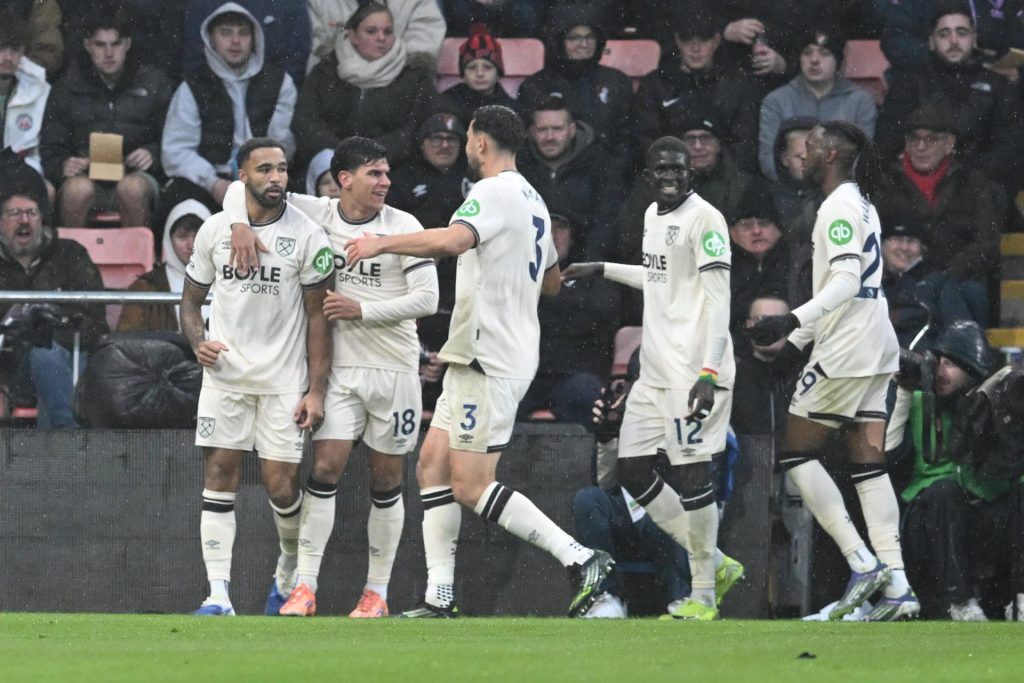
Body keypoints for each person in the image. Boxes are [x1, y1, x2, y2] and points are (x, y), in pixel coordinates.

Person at [344, 104, 614, 618]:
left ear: (481, 142)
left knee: (470, 484)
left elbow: (450, 241)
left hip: (490, 357)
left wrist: (380, 243)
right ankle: (439, 597)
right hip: (481, 352)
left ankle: (580, 558)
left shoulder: (491, 193)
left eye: (468, 139)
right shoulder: (534, 199)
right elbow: (552, 283)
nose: (466, 148)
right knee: (431, 466)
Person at [225, 136, 439, 618]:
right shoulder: (315, 214)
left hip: (395, 371)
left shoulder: (403, 226)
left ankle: (376, 592)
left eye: (386, 173)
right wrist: (239, 224)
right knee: (323, 473)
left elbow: (427, 300)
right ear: (344, 180)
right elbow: (244, 186)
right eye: (374, 174)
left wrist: (362, 310)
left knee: (387, 482)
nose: (386, 182)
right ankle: (304, 587)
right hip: (339, 372)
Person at [562, 136, 743, 621]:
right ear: (648, 176)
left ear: (691, 173)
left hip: (694, 370)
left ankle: (703, 594)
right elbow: (658, 276)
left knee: (690, 474)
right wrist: (602, 268)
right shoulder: (651, 216)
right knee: (633, 470)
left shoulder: (707, 220)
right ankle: (717, 564)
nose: (670, 176)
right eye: (661, 169)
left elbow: (720, 300)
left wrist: (708, 372)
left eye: (679, 170)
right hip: (657, 369)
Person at [749, 121, 918, 621]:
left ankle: (861, 562)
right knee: (867, 464)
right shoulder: (862, 202)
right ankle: (898, 588)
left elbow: (844, 280)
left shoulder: (838, 206)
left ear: (832, 155)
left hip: (848, 348)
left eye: (815, 143)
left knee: (795, 455)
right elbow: (856, 288)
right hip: (876, 339)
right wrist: (794, 343)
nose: (805, 149)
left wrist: (790, 320)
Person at [182, 137, 334, 616]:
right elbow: (189, 301)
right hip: (225, 377)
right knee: (219, 473)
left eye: (283, 169)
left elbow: (318, 317)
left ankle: (287, 565)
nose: (277, 179)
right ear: (242, 175)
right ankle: (218, 594)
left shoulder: (308, 235)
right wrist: (196, 341)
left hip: (282, 382)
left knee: (281, 486)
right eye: (265, 169)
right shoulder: (215, 230)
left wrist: (316, 388)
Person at [887, 321, 1010, 620]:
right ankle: (961, 602)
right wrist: (904, 392)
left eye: (951, 364)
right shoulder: (919, 401)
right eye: (938, 362)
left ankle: (1013, 598)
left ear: (973, 368)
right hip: (927, 523)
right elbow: (888, 458)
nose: (940, 371)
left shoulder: (991, 407)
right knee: (945, 492)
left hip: (976, 523)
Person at [41, 7, 172, 229]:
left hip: (137, 176)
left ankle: (137, 263)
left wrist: (153, 153)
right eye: (100, 45)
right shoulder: (67, 86)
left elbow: (173, 138)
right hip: (85, 177)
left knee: (132, 189)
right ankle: (70, 262)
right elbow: (50, 145)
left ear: (128, 44)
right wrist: (63, 164)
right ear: (87, 45)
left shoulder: (154, 82)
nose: (109, 53)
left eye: (116, 44)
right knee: (76, 191)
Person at [875, 3, 1024, 193]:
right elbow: (886, 144)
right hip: (918, 190)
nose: (953, 41)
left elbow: (1010, 149)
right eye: (944, 34)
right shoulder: (909, 84)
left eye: (961, 33)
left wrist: (962, 177)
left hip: (979, 190)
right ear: (931, 42)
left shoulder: (998, 85)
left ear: (974, 39)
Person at [875, 105, 1002, 326]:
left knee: (968, 293)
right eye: (914, 138)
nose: (920, 147)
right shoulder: (885, 184)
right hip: (897, 278)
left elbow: (987, 243)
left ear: (949, 144)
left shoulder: (974, 184)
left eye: (931, 139)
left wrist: (947, 274)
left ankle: (959, 356)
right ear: (905, 142)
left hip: (957, 278)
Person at [162, 3, 297, 209]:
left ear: (254, 39)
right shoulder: (193, 86)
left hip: (266, 174)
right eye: (226, 33)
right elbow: (176, 151)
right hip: (212, 178)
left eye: (243, 33)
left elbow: (284, 143)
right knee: (179, 199)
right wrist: (212, 182)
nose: (235, 41)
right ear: (212, 39)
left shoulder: (279, 82)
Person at [0, 172, 107, 429]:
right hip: (12, 371)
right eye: (14, 213)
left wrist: (52, 328)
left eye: (32, 213)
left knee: (48, 359)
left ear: (42, 219)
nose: (24, 220)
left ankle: (62, 452)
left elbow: (95, 320)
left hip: (71, 359)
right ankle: (74, 441)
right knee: (45, 359)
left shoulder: (70, 254)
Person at [293, 1, 437, 171]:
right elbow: (306, 121)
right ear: (352, 36)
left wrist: (372, 156)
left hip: (395, 169)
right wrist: (343, 153)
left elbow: (416, 128)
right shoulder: (326, 70)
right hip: (332, 165)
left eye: (388, 31)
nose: (381, 38)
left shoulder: (414, 75)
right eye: (371, 31)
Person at [632, 8, 760, 173]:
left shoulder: (738, 84)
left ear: (716, 41)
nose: (695, 48)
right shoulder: (655, 83)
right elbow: (646, 139)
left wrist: (714, 173)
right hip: (670, 178)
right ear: (677, 41)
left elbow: (744, 143)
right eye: (687, 39)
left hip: (724, 181)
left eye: (704, 39)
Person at [758, 27, 876, 181]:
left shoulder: (860, 101)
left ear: (838, 60)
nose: (814, 60)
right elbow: (768, 159)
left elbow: (863, 158)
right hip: (790, 193)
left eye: (824, 53)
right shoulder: (776, 101)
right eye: (807, 52)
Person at [517, 96, 626, 261]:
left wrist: (586, 270)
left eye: (557, 129)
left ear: (572, 129)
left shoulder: (599, 165)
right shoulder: (517, 166)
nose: (550, 137)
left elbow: (605, 224)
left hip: (585, 266)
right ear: (532, 131)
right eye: (542, 129)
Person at [517, 4, 633, 157]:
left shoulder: (617, 81)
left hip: (606, 174)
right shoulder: (535, 86)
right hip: (554, 174)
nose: (584, 44)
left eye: (590, 37)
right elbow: (528, 145)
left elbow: (627, 141)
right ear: (559, 42)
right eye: (574, 38)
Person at [116, 200, 211, 333]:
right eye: (182, 237)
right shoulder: (146, 287)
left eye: (199, 236)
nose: (191, 245)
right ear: (168, 240)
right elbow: (127, 344)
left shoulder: (231, 282)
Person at [307, 0, 445, 72]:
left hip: (401, 83)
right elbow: (314, 51)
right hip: (340, 85)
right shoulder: (319, 2)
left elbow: (425, 42)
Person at [439, 24, 523, 127]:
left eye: (487, 67)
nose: (479, 73)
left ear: (498, 74)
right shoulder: (448, 102)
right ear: (463, 75)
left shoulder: (512, 109)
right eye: (472, 67)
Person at [0, 10, 50, 181]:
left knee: (47, 191)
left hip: (19, 172)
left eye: (14, 49)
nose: (7, 57)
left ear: (23, 51)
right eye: (1, 48)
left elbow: (39, 151)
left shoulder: (40, 89)